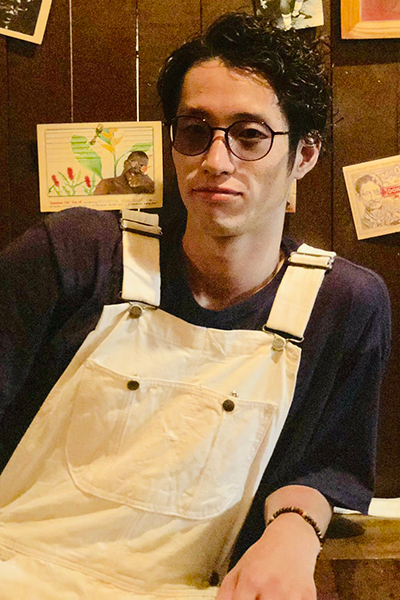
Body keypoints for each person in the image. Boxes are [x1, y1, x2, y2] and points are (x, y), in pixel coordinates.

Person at [0, 12, 390, 599]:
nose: (216, 160)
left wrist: (294, 533)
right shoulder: (79, 253)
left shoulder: (342, 303)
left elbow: (323, 466)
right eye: (194, 130)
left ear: (305, 154)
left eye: (250, 135)